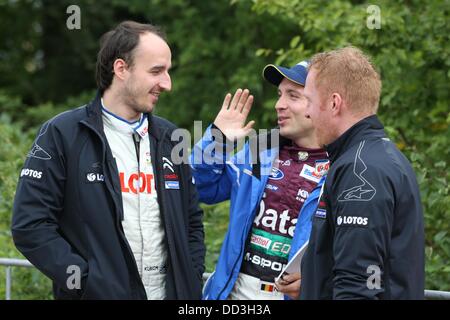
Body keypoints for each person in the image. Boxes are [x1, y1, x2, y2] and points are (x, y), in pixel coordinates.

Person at [11, 21, 205, 300]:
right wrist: (86, 284)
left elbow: (192, 223)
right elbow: (30, 225)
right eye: (156, 71)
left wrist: (190, 279)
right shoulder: (62, 133)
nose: (167, 84)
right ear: (121, 69)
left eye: (168, 71)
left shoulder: (171, 137)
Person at [190, 61, 329, 300]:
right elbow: (202, 188)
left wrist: (320, 280)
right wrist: (217, 139)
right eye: (279, 95)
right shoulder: (260, 149)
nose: (279, 105)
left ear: (321, 105)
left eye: (293, 96)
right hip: (234, 293)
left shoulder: (343, 165)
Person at [301, 46, 425, 299]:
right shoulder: (383, 156)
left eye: (309, 101)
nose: (306, 112)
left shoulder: (361, 169)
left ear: (334, 103)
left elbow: (358, 286)